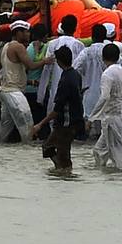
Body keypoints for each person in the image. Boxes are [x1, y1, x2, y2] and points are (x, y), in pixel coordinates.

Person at [89, 42, 122, 171]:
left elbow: (104, 97)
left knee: (118, 160)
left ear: (103, 58)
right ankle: (103, 176)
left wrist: (91, 118)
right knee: (98, 151)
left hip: (112, 120)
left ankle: (120, 183)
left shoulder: (107, 74)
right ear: (118, 57)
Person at [33, 44, 82, 176]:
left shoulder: (65, 80)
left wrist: (40, 124)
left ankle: (63, 171)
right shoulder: (75, 75)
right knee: (62, 151)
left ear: (59, 62)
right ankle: (63, 171)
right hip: (75, 121)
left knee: (50, 147)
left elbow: (58, 108)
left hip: (66, 123)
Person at [0, 20, 38, 143]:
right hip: (13, 92)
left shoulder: (4, 47)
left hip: (5, 91)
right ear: (18, 32)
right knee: (27, 123)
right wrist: (45, 61)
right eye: (26, 32)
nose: (29, 34)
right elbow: (31, 66)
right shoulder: (18, 46)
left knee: (5, 128)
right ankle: (29, 152)